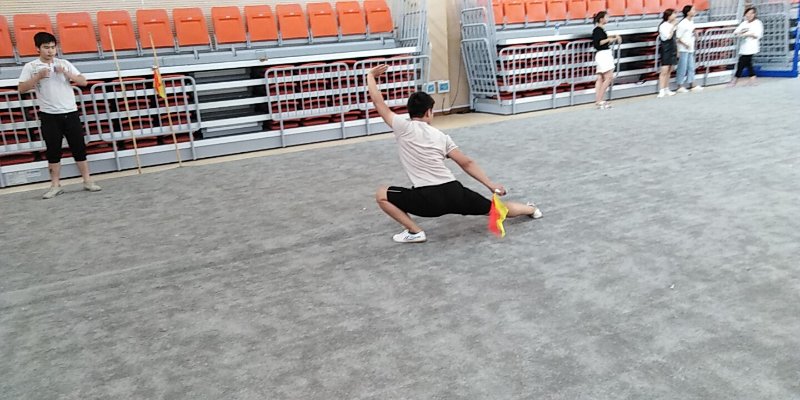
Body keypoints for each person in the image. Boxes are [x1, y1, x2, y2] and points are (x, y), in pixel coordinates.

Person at [367, 65, 542, 243]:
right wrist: (490, 185)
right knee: (497, 209)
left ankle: (415, 231)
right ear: (429, 112)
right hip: (455, 193)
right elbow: (466, 163)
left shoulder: (402, 126)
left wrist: (370, 76)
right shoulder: (442, 137)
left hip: (427, 200)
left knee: (382, 193)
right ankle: (532, 210)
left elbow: (378, 102)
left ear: (410, 112)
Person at [18, 32, 101, 199]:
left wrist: (66, 74)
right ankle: (55, 185)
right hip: (49, 115)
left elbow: (83, 82)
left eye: (52, 47)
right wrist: (38, 77)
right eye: (46, 47)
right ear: (38, 48)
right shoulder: (31, 66)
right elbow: (21, 89)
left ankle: (87, 181)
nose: (50, 51)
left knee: (79, 148)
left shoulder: (64, 63)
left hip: (70, 112)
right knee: (53, 151)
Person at [592, 11, 621, 109]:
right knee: (608, 77)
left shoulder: (600, 30)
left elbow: (602, 38)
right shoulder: (597, 30)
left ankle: (598, 100)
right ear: (601, 19)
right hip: (603, 55)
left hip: (602, 55)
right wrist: (610, 39)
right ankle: (599, 99)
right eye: (606, 17)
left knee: (600, 78)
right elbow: (599, 42)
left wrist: (612, 37)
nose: (608, 19)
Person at [675, 5, 703, 93]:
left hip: (690, 48)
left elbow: (691, 31)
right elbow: (677, 37)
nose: (695, 11)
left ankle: (692, 83)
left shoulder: (691, 22)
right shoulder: (682, 24)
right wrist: (685, 44)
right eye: (693, 10)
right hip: (683, 49)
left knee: (691, 66)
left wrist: (695, 34)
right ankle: (680, 85)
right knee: (682, 67)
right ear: (688, 12)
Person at [732, 7, 763, 86]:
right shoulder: (744, 23)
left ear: (754, 14)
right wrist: (741, 33)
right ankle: (753, 79)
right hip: (744, 46)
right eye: (748, 13)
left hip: (752, 46)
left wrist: (747, 34)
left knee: (742, 62)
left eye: (751, 13)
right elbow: (736, 32)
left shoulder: (758, 23)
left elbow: (757, 35)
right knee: (748, 63)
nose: (749, 15)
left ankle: (735, 80)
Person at [657, 9, 679, 98]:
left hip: (672, 49)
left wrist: (677, 51)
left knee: (670, 70)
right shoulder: (663, 26)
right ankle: (661, 90)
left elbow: (675, 38)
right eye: (674, 14)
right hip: (666, 49)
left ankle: (667, 88)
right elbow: (668, 37)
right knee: (664, 70)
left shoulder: (672, 25)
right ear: (669, 16)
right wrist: (673, 27)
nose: (675, 16)